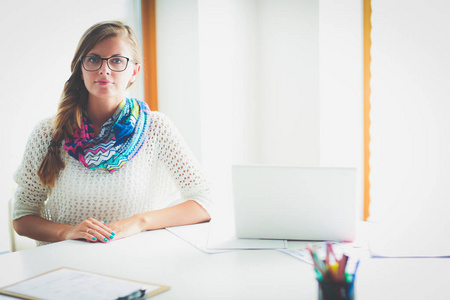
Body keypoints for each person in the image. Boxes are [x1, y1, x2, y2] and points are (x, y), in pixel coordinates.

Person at [12, 21, 212, 245]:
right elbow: (22, 217)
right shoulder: (47, 133)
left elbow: (205, 201)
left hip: (135, 261)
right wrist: (67, 232)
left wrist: (139, 222)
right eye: (94, 59)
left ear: (134, 71)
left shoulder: (157, 128)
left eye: (117, 60)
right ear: (81, 68)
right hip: (64, 265)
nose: (104, 70)